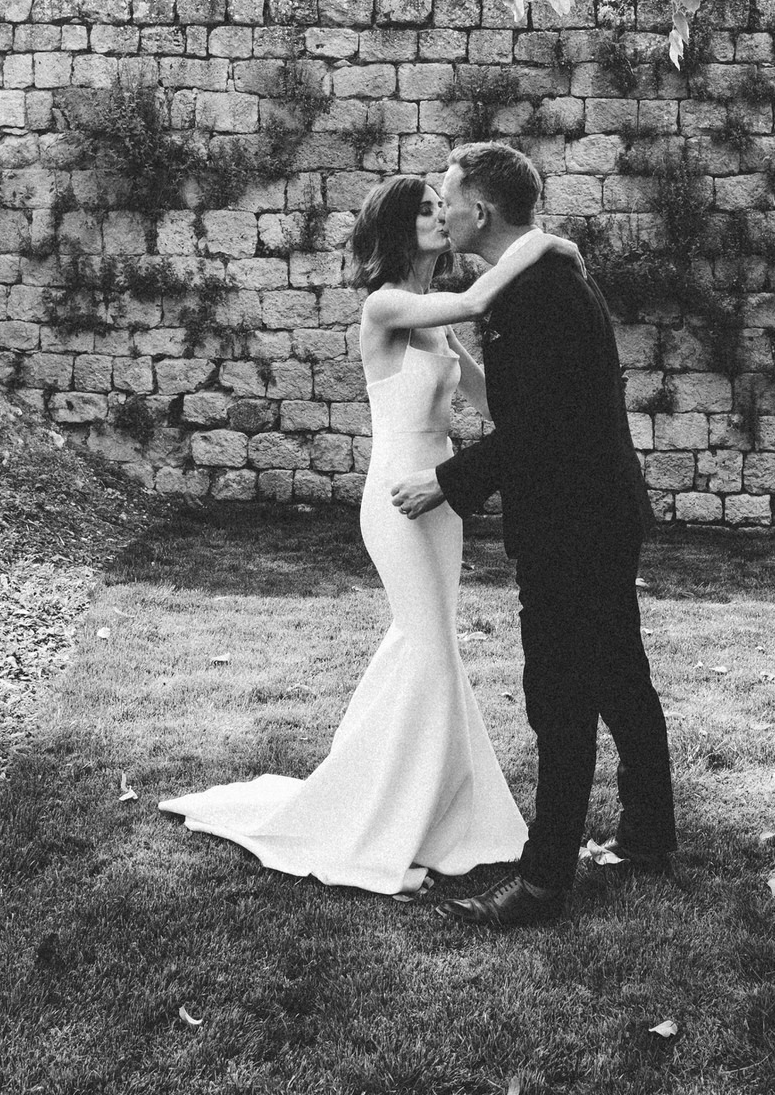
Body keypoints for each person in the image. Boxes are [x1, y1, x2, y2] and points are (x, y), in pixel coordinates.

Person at [157, 173, 581, 895]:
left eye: (435, 206)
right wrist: (544, 243)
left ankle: (431, 811)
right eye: (421, 211)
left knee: (427, 647)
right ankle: (386, 825)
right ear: (393, 228)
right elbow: (482, 296)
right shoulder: (386, 305)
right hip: (396, 496)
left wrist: (554, 415)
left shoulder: (435, 318)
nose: (436, 217)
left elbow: (493, 401)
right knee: (430, 653)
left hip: (440, 496)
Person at [390, 141, 678, 929]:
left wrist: (445, 483)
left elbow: (543, 431)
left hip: (573, 522)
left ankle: (543, 883)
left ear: (478, 211)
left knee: (559, 697)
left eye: (447, 198)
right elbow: (530, 410)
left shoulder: (538, 294)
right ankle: (651, 833)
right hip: (597, 510)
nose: (440, 211)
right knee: (618, 673)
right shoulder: (540, 281)